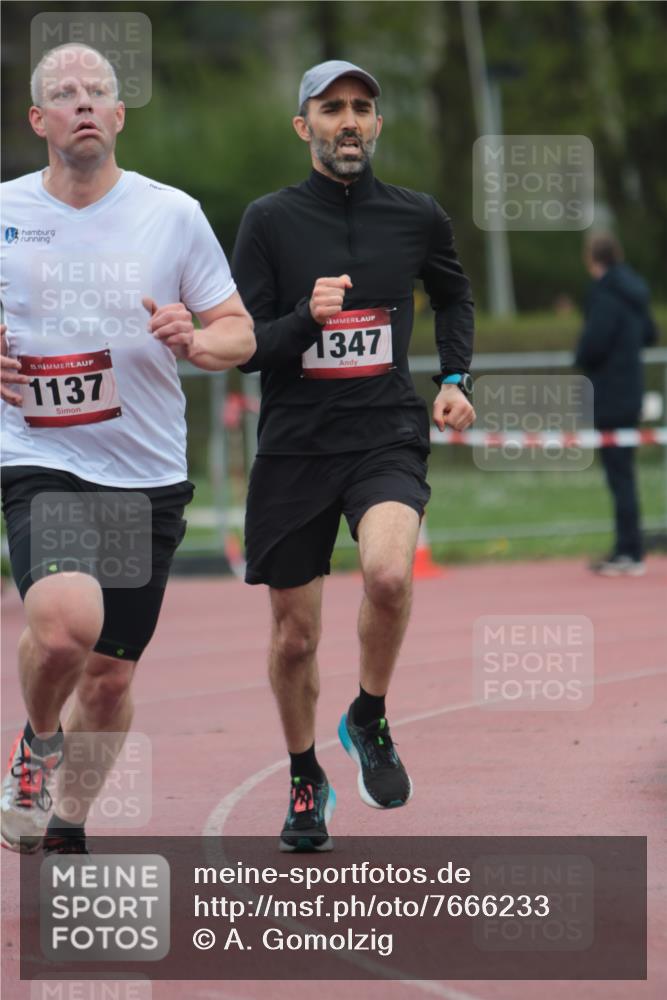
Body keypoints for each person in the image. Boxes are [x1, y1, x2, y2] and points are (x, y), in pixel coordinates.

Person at [0, 43, 255, 854]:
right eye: (63, 93)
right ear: (39, 119)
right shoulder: (4, 210)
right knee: (67, 625)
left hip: (145, 474)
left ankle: (67, 828)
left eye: (97, 91)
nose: (82, 102)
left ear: (118, 115)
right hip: (39, 453)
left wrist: (196, 337)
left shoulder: (171, 214)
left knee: (109, 681)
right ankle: (38, 744)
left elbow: (239, 332)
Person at [232, 60, 475, 852]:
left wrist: (455, 374)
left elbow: (453, 291)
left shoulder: (417, 216)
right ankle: (306, 774)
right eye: (331, 107)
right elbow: (247, 348)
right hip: (296, 448)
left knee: (389, 574)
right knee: (294, 638)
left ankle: (367, 714)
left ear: (376, 125)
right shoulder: (267, 222)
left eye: (361, 108)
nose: (348, 121)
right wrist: (305, 317)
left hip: (383, 433)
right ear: (303, 125)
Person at [575, 233, 658, 577]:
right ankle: (630, 547)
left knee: (619, 475)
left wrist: (582, 355)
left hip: (611, 394)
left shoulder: (605, 294)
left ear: (591, 259)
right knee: (625, 474)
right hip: (631, 391)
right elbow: (651, 334)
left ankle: (629, 551)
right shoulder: (635, 291)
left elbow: (592, 345)